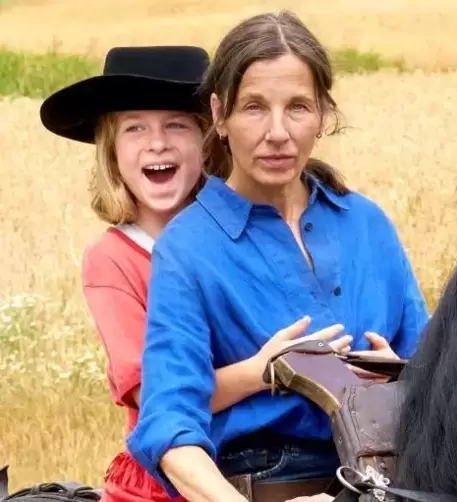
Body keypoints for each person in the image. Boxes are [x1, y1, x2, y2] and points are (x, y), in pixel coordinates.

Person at [125, 10, 430, 502]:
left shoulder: (367, 223)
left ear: (323, 114)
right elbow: (169, 427)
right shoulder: (188, 248)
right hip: (267, 486)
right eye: (253, 108)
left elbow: (441, 376)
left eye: (297, 107)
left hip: (397, 482)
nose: (277, 132)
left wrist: (402, 375)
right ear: (219, 115)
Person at [39, 45, 349, 502]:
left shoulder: (248, 234)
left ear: (211, 138)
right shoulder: (113, 260)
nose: (157, 143)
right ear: (112, 151)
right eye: (135, 129)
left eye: (177, 126)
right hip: (168, 483)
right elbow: (155, 398)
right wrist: (264, 372)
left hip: (268, 465)